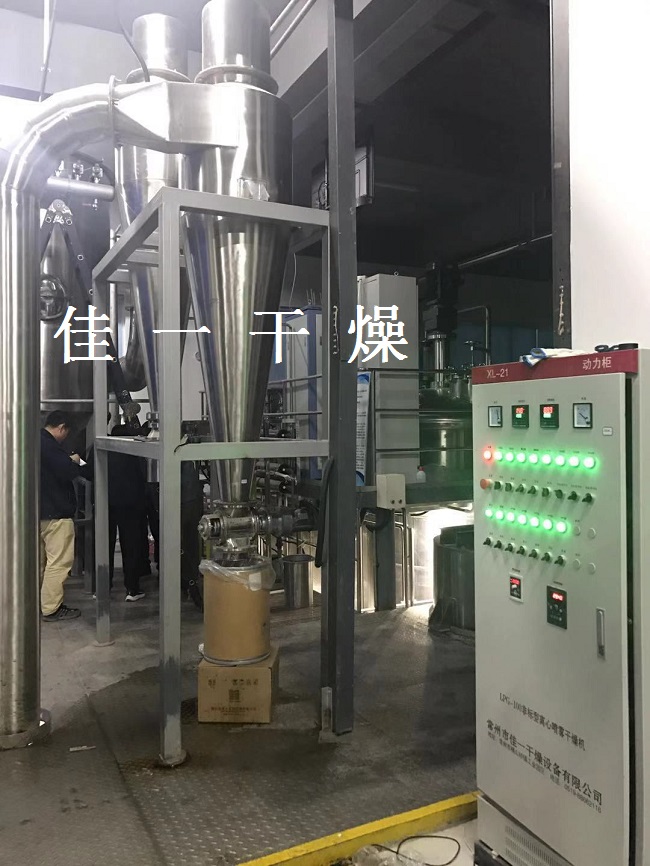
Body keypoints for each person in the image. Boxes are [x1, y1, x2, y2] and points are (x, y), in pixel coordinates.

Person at [40, 410, 92, 621]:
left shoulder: (35, 441)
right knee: (59, 563)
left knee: (41, 563)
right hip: (55, 514)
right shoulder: (49, 445)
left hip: (38, 512)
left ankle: (39, 603)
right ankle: (51, 608)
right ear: (62, 427)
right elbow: (68, 471)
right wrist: (76, 461)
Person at [92, 420, 150, 601]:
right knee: (131, 546)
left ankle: (101, 588)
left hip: (105, 503)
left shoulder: (101, 450)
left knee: (104, 545)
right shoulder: (134, 452)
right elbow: (145, 476)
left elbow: (86, 470)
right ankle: (132, 589)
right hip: (130, 505)